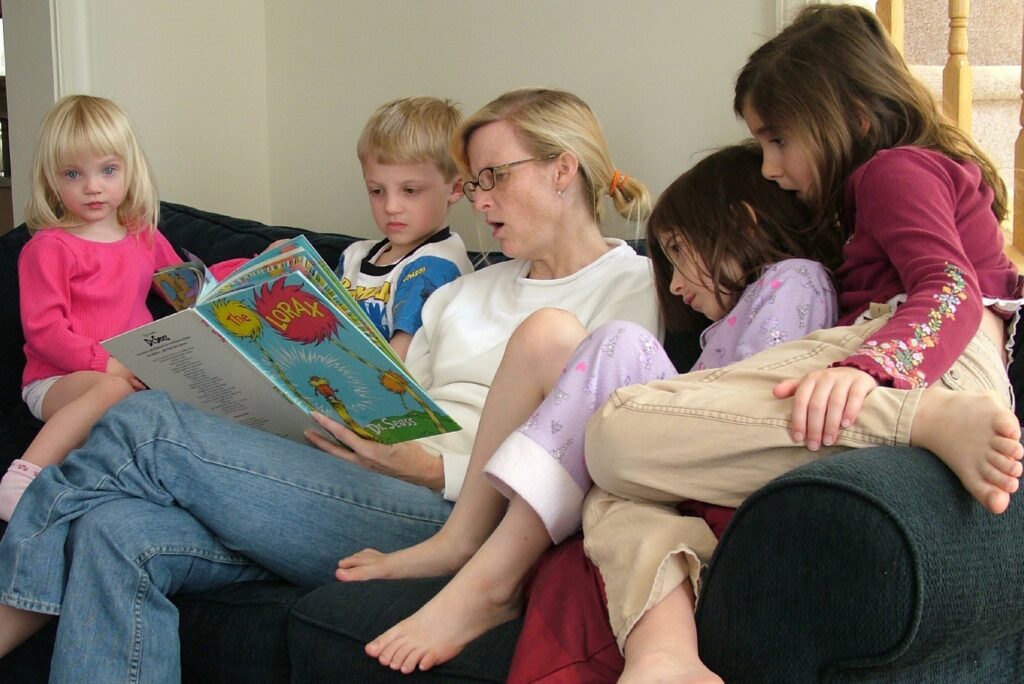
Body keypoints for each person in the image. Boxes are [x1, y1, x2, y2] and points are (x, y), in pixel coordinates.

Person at [0, 87, 660, 682]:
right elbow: (396, 401)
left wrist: (431, 470)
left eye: (493, 177)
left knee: (143, 426)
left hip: (455, 515)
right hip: (356, 485)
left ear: (562, 169)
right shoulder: (463, 290)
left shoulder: (630, 288)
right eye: (475, 180)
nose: (479, 198)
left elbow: (594, 450)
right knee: (117, 530)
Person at [579, 6, 1024, 682]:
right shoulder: (877, 194)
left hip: (927, 365)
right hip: (924, 364)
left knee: (613, 428)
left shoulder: (896, 170)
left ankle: (924, 422)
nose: (769, 167)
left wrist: (879, 372)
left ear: (853, 115)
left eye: (777, 140)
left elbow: (950, 289)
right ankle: (665, 654)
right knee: (616, 474)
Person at [333, 143, 838, 674]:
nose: (674, 285)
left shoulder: (794, 278)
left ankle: (491, 579)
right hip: (685, 456)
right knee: (544, 334)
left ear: (742, 222)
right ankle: (469, 547)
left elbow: (745, 412)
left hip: (718, 464)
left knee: (616, 342)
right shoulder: (743, 309)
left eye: (680, 252)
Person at [0, 95, 181, 522]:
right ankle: (21, 478)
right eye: (73, 174)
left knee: (164, 402)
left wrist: (253, 265)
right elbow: (45, 332)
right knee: (115, 391)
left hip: (130, 374)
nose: (93, 186)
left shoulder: (142, 235)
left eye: (108, 170)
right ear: (52, 179)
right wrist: (109, 367)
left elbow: (188, 282)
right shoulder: (49, 247)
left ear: (128, 169)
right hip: (56, 381)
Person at [334, 96, 474, 359]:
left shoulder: (438, 264)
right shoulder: (355, 255)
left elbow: (396, 363)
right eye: (377, 191)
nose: (391, 206)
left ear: (455, 188)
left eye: (410, 190)